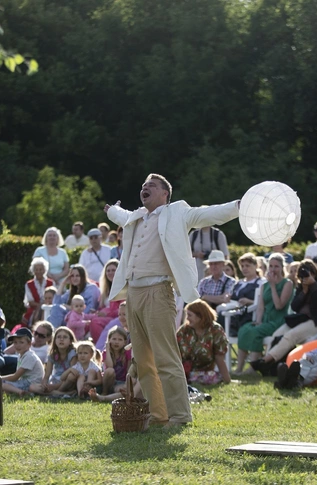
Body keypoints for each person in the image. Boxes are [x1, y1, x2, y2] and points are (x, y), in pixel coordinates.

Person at [104, 172, 239, 427]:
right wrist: (111, 210)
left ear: (165, 194)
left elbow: (209, 213)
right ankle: (158, 416)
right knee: (142, 360)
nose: (145, 188)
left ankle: (180, 416)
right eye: (143, 186)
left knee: (166, 357)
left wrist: (238, 206)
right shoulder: (136, 216)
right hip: (133, 292)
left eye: (151, 186)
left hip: (159, 290)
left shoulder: (178, 212)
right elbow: (120, 216)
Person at [250, 260, 317, 375]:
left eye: (308, 274)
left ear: (314, 273)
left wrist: (313, 284)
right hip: (301, 320)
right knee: (277, 334)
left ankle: (265, 361)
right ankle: (271, 368)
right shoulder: (302, 286)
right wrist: (304, 292)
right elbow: (294, 306)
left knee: (290, 336)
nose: (305, 277)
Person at [235, 253, 293, 374]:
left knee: (256, 332)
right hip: (265, 320)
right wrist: (258, 320)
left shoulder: (287, 283)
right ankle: (239, 368)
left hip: (278, 320)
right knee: (244, 329)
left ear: (282, 267)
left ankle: (253, 368)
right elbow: (260, 306)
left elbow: (279, 305)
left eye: (276, 266)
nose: (273, 269)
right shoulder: (264, 286)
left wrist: (272, 286)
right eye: (271, 266)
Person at [176, 300, 231, 385]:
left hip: (205, 373)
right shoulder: (184, 331)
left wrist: (227, 379)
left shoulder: (215, 330)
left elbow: (219, 358)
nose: (187, 318)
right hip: (181, 372)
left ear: (200, 316)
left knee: (210, 377)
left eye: (190, 315)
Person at [221, 252, 266, 337]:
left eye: (247, 265)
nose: (244, 268)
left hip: (250, 316)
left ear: (256, 266)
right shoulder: (239, 283)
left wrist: (250, 301)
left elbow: (265, 302)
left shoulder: (262, 282)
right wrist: (228, 298)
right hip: (234, 313)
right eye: (242, 266)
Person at [49, 264, 100, 329]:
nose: (74, 278)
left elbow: (88, 310)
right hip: (69, 320)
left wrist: (70, 307)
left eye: (77, 276)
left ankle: (52, 335)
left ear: (83, 276)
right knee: (53, 314)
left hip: (81, 321)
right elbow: (56, 303)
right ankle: (52, 334)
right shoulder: (72, 290)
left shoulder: (91, 288)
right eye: (72, 276)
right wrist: (63, 284)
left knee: (55, 314)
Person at [90, 326, 132, 402]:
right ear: (109, 340)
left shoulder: (127, 352)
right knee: (110, 370)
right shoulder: (106, 352)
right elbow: (109, 366)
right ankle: (104, 392)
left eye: (120, 340)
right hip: (109, 381)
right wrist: (108, 349)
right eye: (114, 339)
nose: (116, 342)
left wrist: (126, 384)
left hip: (121, 381)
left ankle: (108, 396)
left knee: (120, 390)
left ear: (125, 342)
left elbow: (129, 370)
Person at [35, 327, 78, 396]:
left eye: (65, 337)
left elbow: (74, 372)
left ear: (70, 341)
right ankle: (62, 393)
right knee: (32, 387)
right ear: (54, 340)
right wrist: (44, 384)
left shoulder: (72, 353)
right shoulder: (53, 355)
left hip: (68, 381)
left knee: (71, 376)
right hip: (56, 380)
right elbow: (47, 376)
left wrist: (54, 387)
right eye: (58, 337)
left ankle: (56, 392)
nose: (61, 339)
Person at [1, 328, 45, 396]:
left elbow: (15, 377)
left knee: (2, 384)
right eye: (15, 342)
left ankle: (20, 392)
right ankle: (20, 391)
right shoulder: (21, 355)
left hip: (32, 384)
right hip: (25, 381)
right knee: (4, 384)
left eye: (21, 342)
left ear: (29, 344)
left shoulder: (29, 356)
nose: (17, 345)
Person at [88, 259, 121, 342]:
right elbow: (103, 307)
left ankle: (101, 347)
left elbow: (122, 308)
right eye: (108, 271)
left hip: (117, 318)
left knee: (95, 321)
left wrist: (106, 313)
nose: (110, 273)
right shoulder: (105, 290)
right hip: (105, 317)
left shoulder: (122, 289)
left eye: (113, 270)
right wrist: (97, 312)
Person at [21, 257, 55, 329]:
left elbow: (54, 298)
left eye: (41, 269)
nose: (38, 271)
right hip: (34, 308)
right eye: (36, 269)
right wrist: (41, 306)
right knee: (34, 315)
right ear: (33, 271)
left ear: (44, 270)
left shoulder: (51, 282)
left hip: (50, 307)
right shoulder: (29, 284)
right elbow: (31, 302)